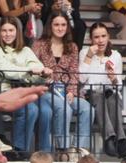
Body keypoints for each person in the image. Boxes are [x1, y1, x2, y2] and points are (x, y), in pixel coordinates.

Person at [32, 13, 91, 155]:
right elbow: (32, 68)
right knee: (64, 108)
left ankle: (78, 150)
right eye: (56, 24)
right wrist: (43, 75)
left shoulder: (72, 46)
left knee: (87, 108)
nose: (60, 28)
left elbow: (74, 72)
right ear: (50, 26)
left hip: (66, 91)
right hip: (45, 91)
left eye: (63, 25)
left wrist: (71, 91)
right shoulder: (39, 44)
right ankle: (62, 149)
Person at [0, 17, 47, 152]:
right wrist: (28, 71)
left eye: (11, 30)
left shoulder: (25, 50)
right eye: (4, 31)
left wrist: (42, 74)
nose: (8, 34)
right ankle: (18, 149)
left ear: (17, 32)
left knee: (39, 110)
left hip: (23, 93)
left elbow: (39, 69)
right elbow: (6, 71)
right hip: (3, 93)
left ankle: (21, 149)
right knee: (30, 109)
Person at [80, 23, 126, 158]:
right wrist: (89, 57)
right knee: (99, 97)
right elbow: (82, 79)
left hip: (110, 93)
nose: (100, 40)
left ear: (108, 37)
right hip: (91, 93)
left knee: (113, 98)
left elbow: (118, 85)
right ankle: (112, 139)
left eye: (103, 36)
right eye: (96, 37)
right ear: (91, 39)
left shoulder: (115, 55)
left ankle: (117, 138)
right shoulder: (84, 53)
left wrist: (113, 79)